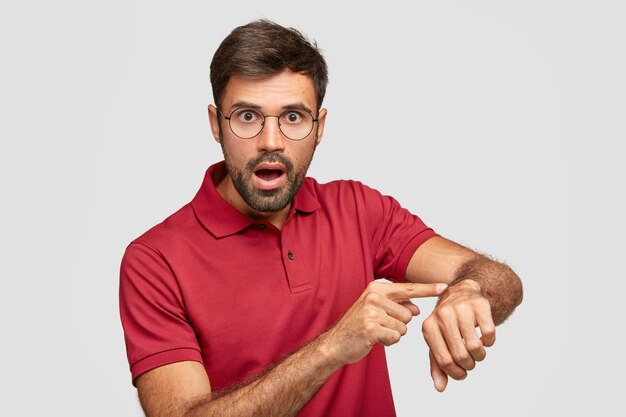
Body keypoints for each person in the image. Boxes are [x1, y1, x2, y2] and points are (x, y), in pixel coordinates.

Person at [119, 19, 523, 417]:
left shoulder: (359, 210)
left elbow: (499, 280)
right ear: (215, 124)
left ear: (319, 127)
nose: (270, 142)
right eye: (247, 117)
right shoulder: (155, 260)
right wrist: (331, 348)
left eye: (293, 118)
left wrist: (467, 291)